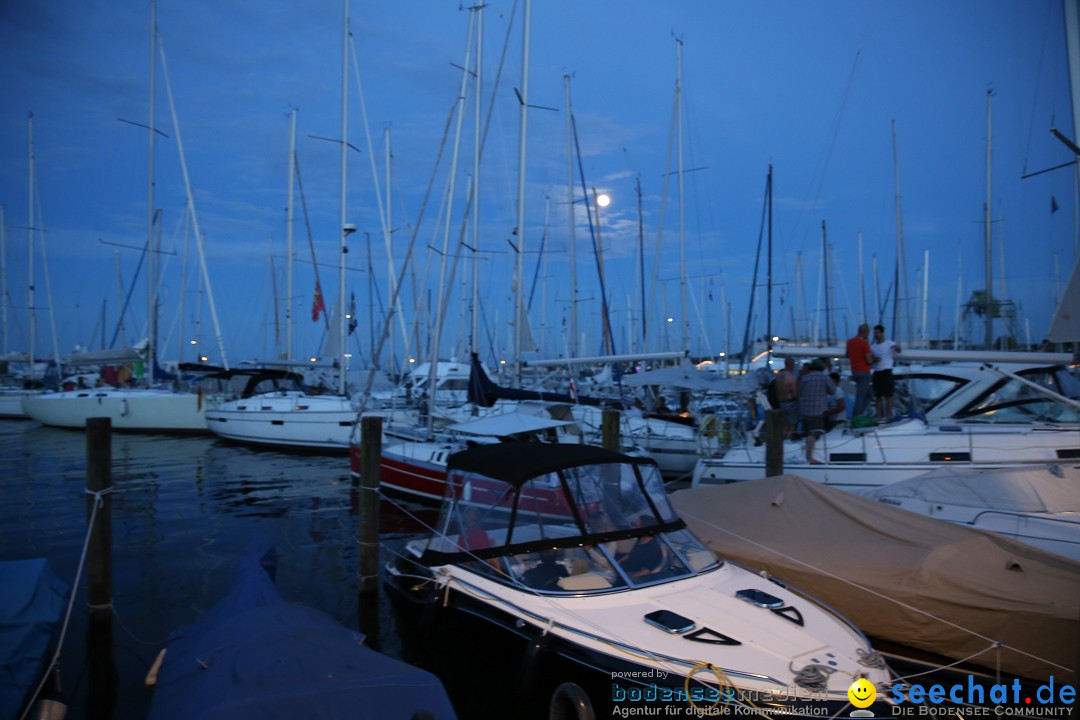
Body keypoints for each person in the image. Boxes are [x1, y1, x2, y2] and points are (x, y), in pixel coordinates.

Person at [796, 359, 836, 464]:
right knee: (814, 433)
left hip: (804, 410)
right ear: (821, 368)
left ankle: (801, 456)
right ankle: (809, 458)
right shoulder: (824, 378)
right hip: (817, 410)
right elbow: (833, 391)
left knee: (806, 433)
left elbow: (798, 392)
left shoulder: (804, 378)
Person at [870, 324, 902, 423]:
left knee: (889, 395)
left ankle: (889, 415)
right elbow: (870, 360)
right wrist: (874, 359)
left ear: (882, 333)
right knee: (878, 395)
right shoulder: (872, 347)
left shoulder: (889, 343)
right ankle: (879, 415)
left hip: (887, 370)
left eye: (878, 332)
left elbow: (899, 350)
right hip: (877, 371)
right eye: (875, 332)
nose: (876, 334)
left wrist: (897, 347)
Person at [845, 323, 873, 417]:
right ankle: (856, 417)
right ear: (865, 332)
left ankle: (860, 413)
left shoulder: (849, 342)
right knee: (860, 397)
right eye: (868, 332)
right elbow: (869, 360)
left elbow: (847, 355)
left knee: (870, 394)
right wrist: (874, 359)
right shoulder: (865, 343)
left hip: (854, 371)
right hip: (864, 372)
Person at [773, 357, 799, 439]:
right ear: (792, 365)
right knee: (792, 424)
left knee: (784, 424)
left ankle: (783, 442)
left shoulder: (778, 376)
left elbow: (776, 391)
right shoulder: (792, 377)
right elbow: (795, 394)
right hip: (790, 402)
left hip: (781, 403)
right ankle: (789, 441)